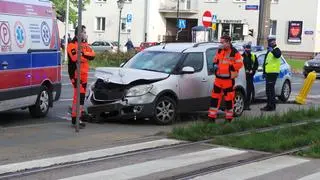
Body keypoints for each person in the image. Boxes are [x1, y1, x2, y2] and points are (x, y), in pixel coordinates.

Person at [208, 35, 243, 122]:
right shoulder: (220, 50)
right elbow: (216, 59)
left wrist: (230, 67)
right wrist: (215, 64)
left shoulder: (234, 52)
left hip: (228, 80)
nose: (221, 44)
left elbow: (239, 64)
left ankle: (228, 119)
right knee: (214, 99)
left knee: (228, 100)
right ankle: (212, 117)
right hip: (218, 79)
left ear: (228, 42)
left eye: (222, 42)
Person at [67, 25, 95, 128]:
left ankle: (79, 116)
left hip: (84, 74)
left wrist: (83, 53)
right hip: (75, 74)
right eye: (84, 32)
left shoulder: (84, 44)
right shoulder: (71, 44)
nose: (85, 34)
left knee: (81, 96)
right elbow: (75, 58)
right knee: (79, 95)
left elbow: (92, 55)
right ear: (79, 34)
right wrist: (84, 55)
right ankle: (75, 118)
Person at [261, 36, 282, 111]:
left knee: (270, 90)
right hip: (268, 73)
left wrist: (272, 50)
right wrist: (264, 72)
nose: (270, 42)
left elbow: (277, 55)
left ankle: (271, 106)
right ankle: (269, 105)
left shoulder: (277, 49)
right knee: (268, 90)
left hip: (273, 73)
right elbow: (265, 62)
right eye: (269, 41)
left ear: (274, 41)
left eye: (271, 41)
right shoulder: (269, 51)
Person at [242, 44, 258, 110]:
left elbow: (256, 65)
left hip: (250, 76)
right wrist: (244, 70)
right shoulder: (241, 56)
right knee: (242, 91)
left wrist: (252, 70)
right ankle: (242, 105)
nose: (248, 50)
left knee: (249, 91)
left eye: (249, 49)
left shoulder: (253, 56)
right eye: (247, 49)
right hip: (242, 76)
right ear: (244, 49)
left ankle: (247, 105)